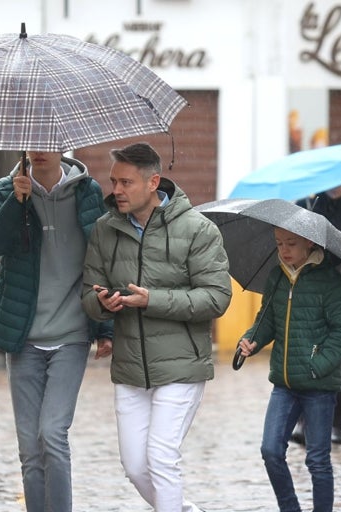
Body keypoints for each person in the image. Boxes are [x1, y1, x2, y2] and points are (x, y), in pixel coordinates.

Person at [80, 142, 232, 512]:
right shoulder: (104, 229)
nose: (116, 190)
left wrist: (154, 300)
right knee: (134, 467)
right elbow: (88, 292)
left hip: (181, 365)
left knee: (161, 458)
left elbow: (216, 298)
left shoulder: (198, 229)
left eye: (126, 182)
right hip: (130, 368)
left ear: (153, 182)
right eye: (113, 181)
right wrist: (101, 303)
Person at [0, 151, 114, 512]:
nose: (39, 149)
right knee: (29, 446)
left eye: (47, 141)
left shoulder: (88, 193)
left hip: (71, 333)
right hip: (23, 336)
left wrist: (105, 327)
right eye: (32, 141)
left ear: (61, 144)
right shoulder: (5, 189)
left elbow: (102, 260)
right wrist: (14, 202)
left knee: (52, 433)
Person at [237, 227, 341, 512]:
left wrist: (319, 365)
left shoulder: (329, 280)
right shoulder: (277, 276)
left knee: (317, 460)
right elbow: (266, 318)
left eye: (291, 243)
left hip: (319, 386)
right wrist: (252, 339)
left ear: (309, 243)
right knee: (270, 450)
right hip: (284, 382)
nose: (284, 249)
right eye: (279, 243)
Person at [294, 181, 341, 446]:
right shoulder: (306, 207)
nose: (336, 187)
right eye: (331, 182)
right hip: (309, 295)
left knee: (338, 363)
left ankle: (337, 424)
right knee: (306, 358)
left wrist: (328, 253)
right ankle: (305, 423)